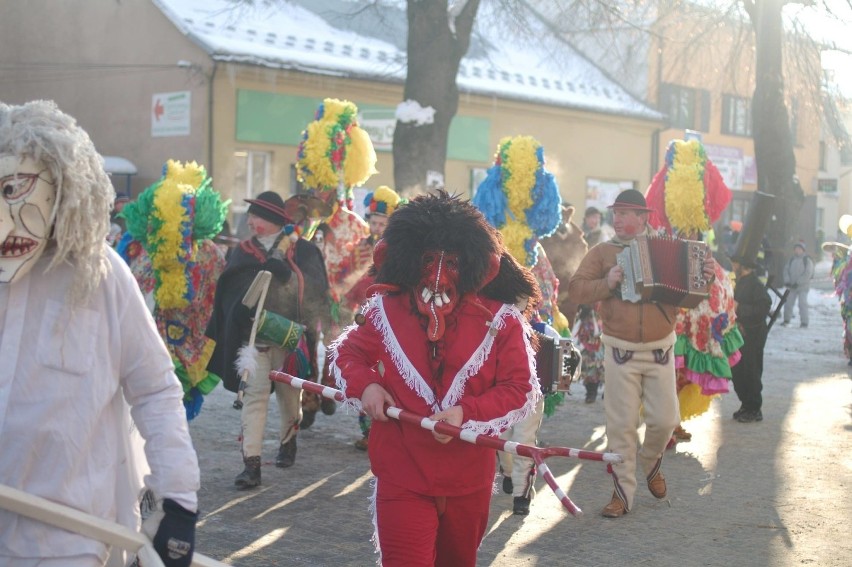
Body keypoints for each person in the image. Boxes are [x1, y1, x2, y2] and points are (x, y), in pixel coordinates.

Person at [0, 100, 200, 566]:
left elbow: (154, 388)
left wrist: (178, 502)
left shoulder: (102, 276)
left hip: (66, 540)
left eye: (15, 192)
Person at [330, 192, 542, 566]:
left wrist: (466, 412)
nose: (439, 275)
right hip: (401, 472)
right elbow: (348, 353)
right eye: (428, 260)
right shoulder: (383, 309)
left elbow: (519, 388)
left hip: (469, 479)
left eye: (454, 263)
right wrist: (368, 385)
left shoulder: (502, 321)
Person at [567, 189, 717, 518]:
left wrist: (704, 278)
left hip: (660, 350)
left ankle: (650, 463)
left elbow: (693, 295)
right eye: (615, 213)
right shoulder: (602, 252)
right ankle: (622, 493)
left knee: (664, 421)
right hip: (619, 352)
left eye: (624, 213)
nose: (617, 219)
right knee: (620, 426)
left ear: (643, 218)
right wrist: (607, 282)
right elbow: (576, 288)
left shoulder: (674, 249)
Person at [206, 190, 330, 489]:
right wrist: (242, 304)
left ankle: (289, 440)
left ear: (274, 221)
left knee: (290, 396)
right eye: (250, 216)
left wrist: (288, 276)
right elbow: (231, 288)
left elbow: (315, 289)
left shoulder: (303, 250)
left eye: (256, 217)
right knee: (255, 396)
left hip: (289, 338)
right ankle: (252, 465)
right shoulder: (244, 251)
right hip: (254, 337)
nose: (250, 221)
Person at [472, 135, 563, 516]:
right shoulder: (483, 251)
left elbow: (549, 297)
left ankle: (522, 491)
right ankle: (509, 470)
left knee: (527, 424)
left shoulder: (537, 252)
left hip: (529, 345)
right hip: (488, 346)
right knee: (495, 423)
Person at [644, 138, 742, 445]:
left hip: (696, 323)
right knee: (667, 370)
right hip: (671, 318)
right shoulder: (663, 241)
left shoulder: (703, 249)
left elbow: (716, 286)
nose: (689, 231)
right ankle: (664, 425)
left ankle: (674, 422)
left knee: (684, 371)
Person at [117, 160, 228, 420]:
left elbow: (218, 293)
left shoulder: (209, 253)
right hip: (152, 339)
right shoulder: (144, 250)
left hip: (188, 339)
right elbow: (131, 291)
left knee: (173, 403)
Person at [343, 185, 405, 450]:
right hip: (364, 318)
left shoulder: (398, 252)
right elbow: (349, 278)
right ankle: (368, 429)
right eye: (374, 222)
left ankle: (386, 423)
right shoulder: (358, 248)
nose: (377, 227)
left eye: (382, 223)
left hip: (391, 320)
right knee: (365, 371)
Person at [729, 255, 772, 423]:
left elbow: (763, 307)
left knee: (751, 370)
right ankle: (746, 404)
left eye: (735, 262)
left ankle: (754, 408)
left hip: (753, 335)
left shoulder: (755, 284)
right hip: (739, 334)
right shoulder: (739, 281)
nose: (732, 265)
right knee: (737, 370)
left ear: (743, 265)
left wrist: (740, 308)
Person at [782, 241, 814, 328]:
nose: (797, 250)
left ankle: (804, 322)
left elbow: (808, 273)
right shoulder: (791, 260)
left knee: (802, 304)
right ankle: (786, 320)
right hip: (792, 286)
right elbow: (786, 270)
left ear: (803, 250)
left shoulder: (807, 260)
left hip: (803, 287)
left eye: (799, 249)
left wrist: (798, 282)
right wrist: (787, 281)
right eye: (796, 249)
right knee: (788, 303)